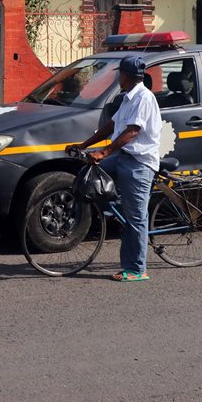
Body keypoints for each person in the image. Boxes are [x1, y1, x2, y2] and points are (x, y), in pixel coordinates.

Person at [66, 55, 161, 283]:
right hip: (122, 157)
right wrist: (85, 145)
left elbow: (132, 131)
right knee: (89, 175)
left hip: (139, 163)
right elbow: (111, 126)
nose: (118, 78)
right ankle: (115, 207)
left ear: (125, 76)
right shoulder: (127, 97)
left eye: (120, 74)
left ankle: (137, 269)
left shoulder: (144, 98)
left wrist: (104, 153)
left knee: (136, 218)